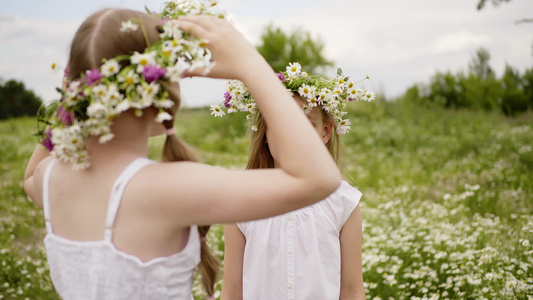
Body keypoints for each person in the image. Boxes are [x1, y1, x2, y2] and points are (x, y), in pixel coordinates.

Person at [23, 3, 342, 299]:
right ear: (163, 86)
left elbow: (28, 178)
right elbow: (319, 179)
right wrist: (250, 65)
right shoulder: (165, 188)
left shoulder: (49, 178)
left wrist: (74, 102)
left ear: (76, 91)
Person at [217, 64, 370, 300]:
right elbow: (232, 293)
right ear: (264, 133)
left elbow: (352, 291)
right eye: (280, 122)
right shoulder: (241, 200)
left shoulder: (343, 201)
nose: (292, 135)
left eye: (306, 124)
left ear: (325, 132)